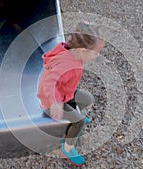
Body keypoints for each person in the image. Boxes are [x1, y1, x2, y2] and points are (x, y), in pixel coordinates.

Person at [37, 21, 105, 166]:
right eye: (95, 53)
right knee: (79, 122)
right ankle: (67, 148)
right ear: (82, 51)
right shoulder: (68, 64)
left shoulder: (70, 51)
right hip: (52, 101)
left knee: (87, 99)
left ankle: (73, 114)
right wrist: (54, 103)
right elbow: (49, 82)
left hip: (64, 93)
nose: (97, 56)